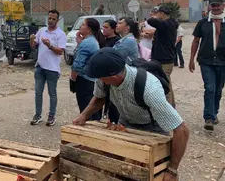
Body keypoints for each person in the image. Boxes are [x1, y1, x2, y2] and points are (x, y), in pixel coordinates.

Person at [73, 47, 189, 181]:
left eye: (100, 78)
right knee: (124, 171)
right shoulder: (104, 80)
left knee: (152, 173)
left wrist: (172, 170)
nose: (98, 80)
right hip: (126, 124)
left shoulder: (149, 89)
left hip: (153, 129)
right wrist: (83, 116)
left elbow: (182, 130)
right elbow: (100, 98)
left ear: (113, 77)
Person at [190, 0, 225, 131]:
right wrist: (192, 59)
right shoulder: (203, 23)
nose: (215, 8)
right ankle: (208, 118)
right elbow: (195, 41)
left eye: (218, 5)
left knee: (218, 90)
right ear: (209, 6)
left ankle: (214, 113)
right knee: (210, 88)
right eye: (213, 5)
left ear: (223, 6)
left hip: (223, 61)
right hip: (206, 60)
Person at [29, 9, 67, 126]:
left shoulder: (61, 34)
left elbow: (60, 52)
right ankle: (38, 115)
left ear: (57, 20)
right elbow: (33, 46)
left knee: (52, 93)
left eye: (53, 19)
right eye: (49, 18)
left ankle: (51, 116)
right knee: (38, 92)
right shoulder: (42, 31)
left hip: (52, 69)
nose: (50, 21)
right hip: (40, 67)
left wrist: (49, 45)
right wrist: (31, 40)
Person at [70, 18, 106, 120]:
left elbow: (77, 65)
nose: (80, 27)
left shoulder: (87, 43)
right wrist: (79, 42)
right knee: (92, 109)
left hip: (85, 81)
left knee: (86, 109)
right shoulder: (91, 41)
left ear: (89, 29)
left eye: (83, 25)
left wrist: (72, 79)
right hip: (92, 80)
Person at [145, 6, 178, 108]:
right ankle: (171, 106)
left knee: (164, 86)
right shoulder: (171, 23)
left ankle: (167, 110)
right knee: (167, 83)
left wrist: (153, 15)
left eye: (158, 13)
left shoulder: (165, 24)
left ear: (162, 14)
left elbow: (150, 21)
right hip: (166, 59)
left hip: (164, 60)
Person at [102, 19, 121, 123]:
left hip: (113, 76)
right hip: (105, 76)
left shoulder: (117, 41)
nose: (103, 29)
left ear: (113, 29)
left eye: (106, 27)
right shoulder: (105, 40)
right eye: (103, 27)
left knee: (113, 101)